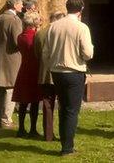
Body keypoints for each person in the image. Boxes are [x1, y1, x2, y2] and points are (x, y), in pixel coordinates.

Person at [44, 0, 94, 156]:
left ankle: (65, 142)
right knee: (72, 110)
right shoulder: (82, 27)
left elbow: (45, 52)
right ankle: (67, 147)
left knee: (63, 107)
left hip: (57, 72)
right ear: (81, 9)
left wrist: (52, 63)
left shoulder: (53, 26)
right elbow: (88, 53)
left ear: (67, 7)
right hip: (74, 72)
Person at [0, 0, 23, 128]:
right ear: (15, 5)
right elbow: (18, 41)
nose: (22, 6)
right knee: (10, 88)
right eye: (20, 4)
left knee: (1, 89)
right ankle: (6, 119)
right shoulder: (14, 20)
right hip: (12, 58)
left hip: (0, 56)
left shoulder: (0, 18)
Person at [35, 11, 65, 142]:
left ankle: (48, 135)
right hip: (60, 71)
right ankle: (65, 135)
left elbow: (36, 54)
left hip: (45, 73)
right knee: (64, 103)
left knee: (47, 104)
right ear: (58, 20)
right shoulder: (61, 33)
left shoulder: (40, 33)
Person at [12, 11, 42, 138]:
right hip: (34, 69)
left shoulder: (20, 37)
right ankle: (33, 129)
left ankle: (21, 128)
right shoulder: (36, 36)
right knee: (34, 101)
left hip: (24, 69)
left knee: (24, 101)